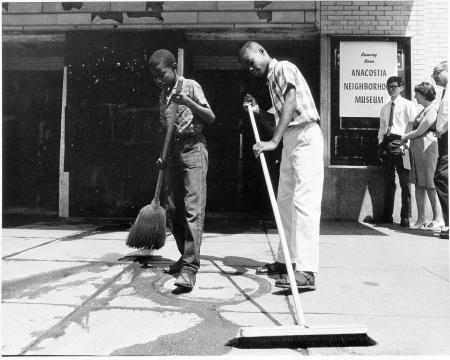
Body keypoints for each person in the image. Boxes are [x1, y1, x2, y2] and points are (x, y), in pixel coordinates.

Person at [239, 41, 323, 290]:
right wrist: (256, 111)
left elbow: (291, 102)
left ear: (262, 52)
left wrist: (273, 141)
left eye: (251, 62)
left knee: (304, 203)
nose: (250, 69)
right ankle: (285, 260)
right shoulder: (271, 80)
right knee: (285, 201)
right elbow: (277, 119)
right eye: (246, 67)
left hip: (305, 135)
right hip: (290, 139)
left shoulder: (283, 67)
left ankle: (307, 271)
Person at [148, 49, 215, 289]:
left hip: (194, 148)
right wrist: (162, 156)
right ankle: (183, 256)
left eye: (161, 74)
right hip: (173, 152)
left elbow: (210, 116)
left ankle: (190, 268)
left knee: (192, 208)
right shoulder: (163, 94)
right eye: (154, 77)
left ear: (174, 67)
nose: (158, 80)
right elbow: (166, 129)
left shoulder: (190, 86)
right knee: (173, 208)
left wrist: (186, 101)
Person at [402, 82, 444, 231]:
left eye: (417, 94)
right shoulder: (423, 110)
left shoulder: (432, 109)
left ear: (424, 94)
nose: (415, 96)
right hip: (418, 149)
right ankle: (421, 218)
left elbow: (421, 130)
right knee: (419, 183)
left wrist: (404, 137)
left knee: (430, 183)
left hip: (427, 149)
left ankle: (438, 218)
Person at [378, 76, 416, 227]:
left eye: (394, 86)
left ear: (401, 88)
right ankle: (387, 215)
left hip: (402, 145)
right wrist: (381, 145)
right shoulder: (385, 108)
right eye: (388, 86)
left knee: (405, 181)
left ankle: (405, 216)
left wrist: (406, 143)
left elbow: (412, 124)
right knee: (388, 181)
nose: (390, 89)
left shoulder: (408, 105)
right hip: (388, 145)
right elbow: (382, 127)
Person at [432, 61, 448, 239]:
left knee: (441, 177)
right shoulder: (445, 91)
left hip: (446, 139)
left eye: (436, 73)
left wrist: (441, 129)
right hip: (444, 139)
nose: (434, 78)